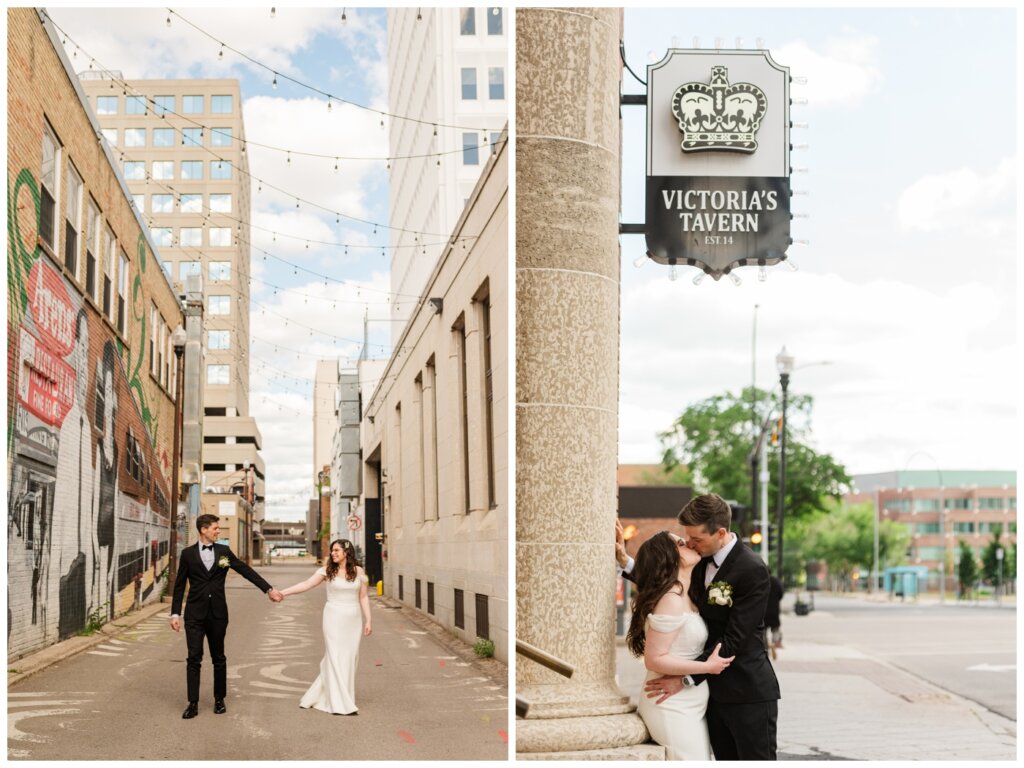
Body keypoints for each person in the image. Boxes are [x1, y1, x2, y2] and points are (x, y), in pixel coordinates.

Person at [643, 493, 781, 760]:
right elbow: (665, 582)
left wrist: (686, 679)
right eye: (688, 538)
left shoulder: (751, 568)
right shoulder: (699, 559)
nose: (691, 545)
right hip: (711, 698)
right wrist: (626, 563)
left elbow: (735, 639)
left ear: (720, 532)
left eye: (697, 539)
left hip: (747, 692)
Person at [626, 531, 734, 760]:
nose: (688, 543)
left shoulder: (686, 592)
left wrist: (623, 560)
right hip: (670, 705)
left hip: (690, 701)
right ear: (668, 557)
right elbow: (654, 659)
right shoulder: (670, 600)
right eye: (680, 543)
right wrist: (707, 666)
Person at [170, 514, 283, 719]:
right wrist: (175, 613)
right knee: (194, 658)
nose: (218, 531)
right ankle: (192, 703)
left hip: (218, 614)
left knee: (218, 657)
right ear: (203, 530)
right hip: (194, 615)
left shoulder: (223, 552)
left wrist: (268, 589)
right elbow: (179, 587)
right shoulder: (187, 554)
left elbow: (245, 570)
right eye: (215, 528)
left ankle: (219, 699)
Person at [280, 539, 372, 715]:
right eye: (332, 551)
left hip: (353, 619)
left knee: (349, 657)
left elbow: (363, 597)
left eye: (337, 550)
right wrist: (283, 593)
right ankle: (339, 703)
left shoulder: (359, 571)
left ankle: (337, 695)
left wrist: (368, 620)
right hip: (334, 617)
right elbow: (306, 585)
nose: (333, 553)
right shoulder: (327, 571)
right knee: (335, 655)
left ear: (347, 552)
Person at [764, 574, 784, 660]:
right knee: (775, 629)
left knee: (762, 632)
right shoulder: (775, 581)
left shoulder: (761, 579)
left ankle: (765, 648)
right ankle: (775, 643)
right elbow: (781, 593)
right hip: (774, 609)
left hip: (763, 611)